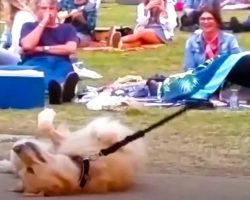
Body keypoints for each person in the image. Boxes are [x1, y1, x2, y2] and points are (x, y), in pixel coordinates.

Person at [19, 0, 79, 104]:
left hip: (61, 61)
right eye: (44, 8)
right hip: (36, 61)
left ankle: (60, 90)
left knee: (64, 71)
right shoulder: (29, 26)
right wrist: (42, 23)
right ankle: (60, 91)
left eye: (51, 8)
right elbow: (27, 45)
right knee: (43, 73)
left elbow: (70, 48)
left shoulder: (67, 28)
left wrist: (41, 48)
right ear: (37, 11)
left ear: (56, 11)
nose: (48, 12)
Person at [183, 7, 241, 71]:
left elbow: (237, 63)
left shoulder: (230, 39)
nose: (206, 21)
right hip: (200, 78)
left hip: (224, 77)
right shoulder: (191, 42)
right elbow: (189, 68)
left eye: (209, 19)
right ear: (198, 22)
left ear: (217, 22)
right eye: (202, 19)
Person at [109, 0, 176, 49]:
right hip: (146, 30)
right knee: (139, 41)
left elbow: (171, 26)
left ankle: (117, 40)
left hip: (162, 33)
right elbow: (141, 23)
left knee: (141, 33)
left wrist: (163, 12)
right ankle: (121, 45)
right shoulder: (143, 5)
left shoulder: (168, 5)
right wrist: (146, 9)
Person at [0, 0, 35, 65]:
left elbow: (18, 47)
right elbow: (4, 42)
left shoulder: (22, 16)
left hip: (20, 58)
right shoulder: (12, 19)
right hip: (13, 54)